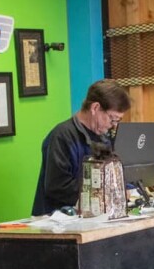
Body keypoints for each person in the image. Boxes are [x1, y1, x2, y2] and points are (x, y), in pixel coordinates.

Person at [31, 79, 131, 216]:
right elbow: (57, 187)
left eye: (118, 121)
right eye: (112, 119)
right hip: (59, 222)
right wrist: (102, 194)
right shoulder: (62, 136)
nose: (114, 125)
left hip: (95, 217)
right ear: (95, 108)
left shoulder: (104, 138)